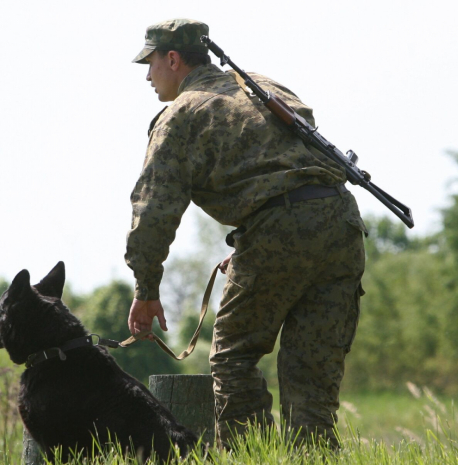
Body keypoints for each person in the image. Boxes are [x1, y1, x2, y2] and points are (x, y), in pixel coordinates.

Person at [124, 18, 366, 448]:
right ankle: (312, 458)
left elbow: (153, 210)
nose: (147, 75)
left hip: (278, 228)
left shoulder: (179, 116)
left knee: (233, 360)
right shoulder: (262, 85)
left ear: (174, 59)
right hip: (340, 221)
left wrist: (146, 288)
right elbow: (294, 151)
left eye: (151, 62)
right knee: (311, 374)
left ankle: (250, 457)